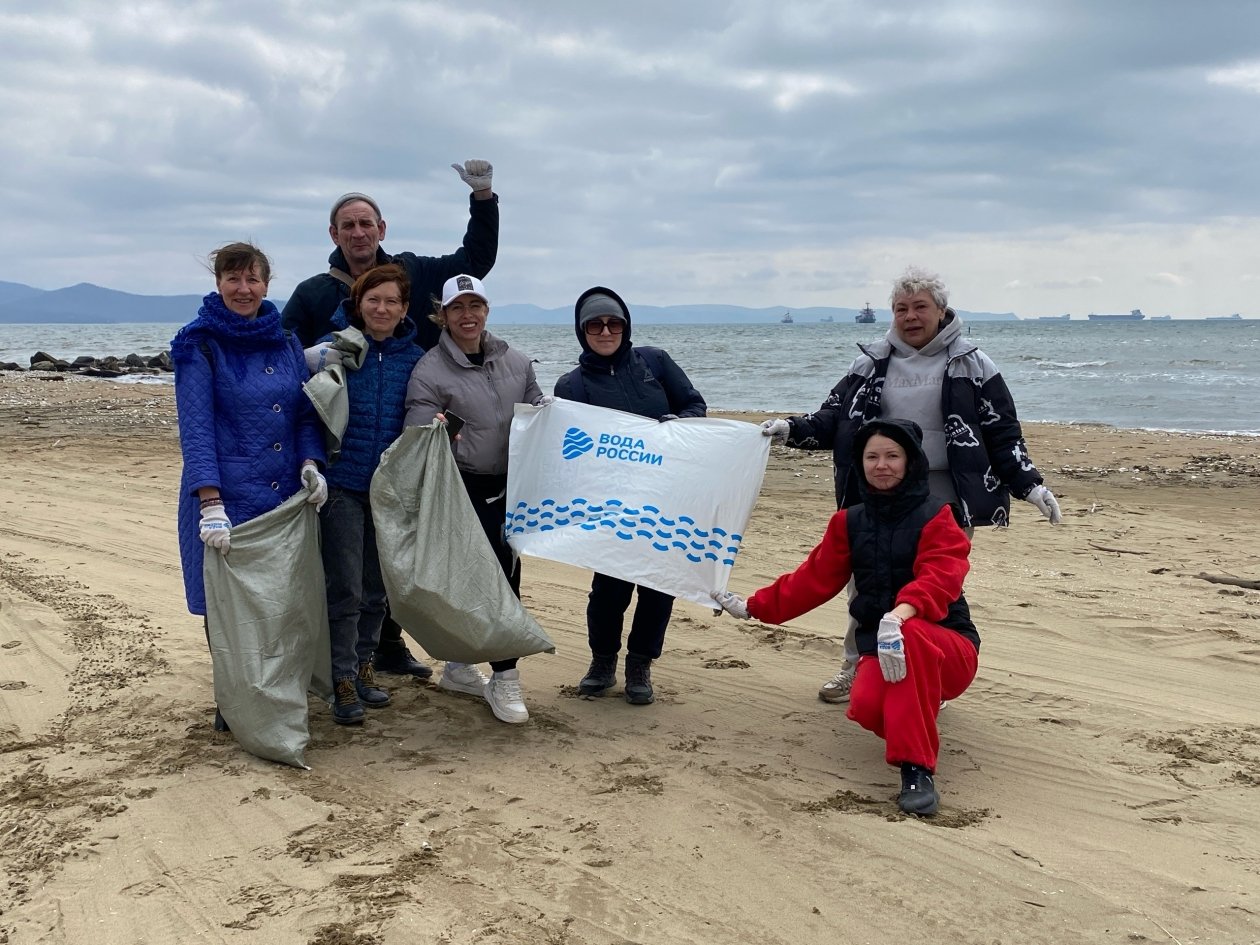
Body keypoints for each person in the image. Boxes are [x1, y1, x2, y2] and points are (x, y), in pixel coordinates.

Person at [761, 266, 1060, 705]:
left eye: (920, 307)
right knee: (866, 583)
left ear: (941, 310)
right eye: (901, 308)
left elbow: (1002, 432)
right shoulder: (870, 362)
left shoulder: (973, 363)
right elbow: (834, 418)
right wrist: (790, 428)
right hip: (877, 492)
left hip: (947, 493)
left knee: (936, 585)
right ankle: (855, 664)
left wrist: (1029, 485)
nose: (910, 316)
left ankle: (928, 672)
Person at [282, 159, 500, 679]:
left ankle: (387, 645)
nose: (359, 232)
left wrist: (484, 198)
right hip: (341, 451)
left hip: (404, 440)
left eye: (367, 223)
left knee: (393, 553)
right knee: (343, 567)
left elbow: (476, 259)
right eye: (348, 225)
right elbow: (284, 356)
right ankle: (335, 663)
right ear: (333, 234)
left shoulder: (413, 271)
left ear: (383, 230)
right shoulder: (315, 291)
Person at [715, 418, 978, 816]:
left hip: (947, 646)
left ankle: (916, 770)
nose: (882, 465)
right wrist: (753, 607)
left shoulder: (939, 516)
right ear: (860, 463)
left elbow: (942, 576)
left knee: (912, 639)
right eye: (872, 456)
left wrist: (900, 616)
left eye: (893, 455)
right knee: (866, 706)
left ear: (911, 462)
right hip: (882, 646)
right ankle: (919, 708)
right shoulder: (848, 522)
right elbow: (812, 580)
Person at [171, 242, 327, 731]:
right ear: (218, 282)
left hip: (281, 495)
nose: (244, 289)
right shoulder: (198, 343)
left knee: (278, 598)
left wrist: (311, 462)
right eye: (233, 279)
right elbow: (195, 427)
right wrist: (209, 503)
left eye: (252, 279)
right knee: (228, 604)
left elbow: (303, 411)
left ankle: (278, 690)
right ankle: (234, 700)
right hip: (224, 496)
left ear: (266, 283)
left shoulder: (284, 342)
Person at [404, 274, 549, 724]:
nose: (468, 316)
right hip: (462, 489)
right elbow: (418, 436)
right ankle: (493, 675)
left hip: (512, 487)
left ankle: (473, 669)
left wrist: (551, 411)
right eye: (458, 308)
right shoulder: (429, 370)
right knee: (478, 580)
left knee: (506, 575)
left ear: (486, 311)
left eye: (476, 306)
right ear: (442, 315)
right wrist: (442, 431)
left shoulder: (517, 361)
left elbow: (536, 411)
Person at [553, 287, 707, 705]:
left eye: (613, 323)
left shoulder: (654, 362)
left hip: (664, 495)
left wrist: (677, 425)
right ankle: (602, 661)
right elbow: (568, 446)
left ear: (626, 326)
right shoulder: (571, 384)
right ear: (582, 331)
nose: (606, 331)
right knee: (609, 588)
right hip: (609, 503)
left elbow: (695, 406)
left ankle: (640, 664)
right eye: (595, 325)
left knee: (659, 585)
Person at [311, 264, 426, 725]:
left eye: (392, 301)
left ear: (404, 310)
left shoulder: (414, 358)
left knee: (377, 590)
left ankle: (364, 668)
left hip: (390, 492)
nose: (382, 308)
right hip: (341, 485)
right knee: (345, 589)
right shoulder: (334, 350)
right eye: (373, 300)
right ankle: (339, 679)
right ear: (358, 304)